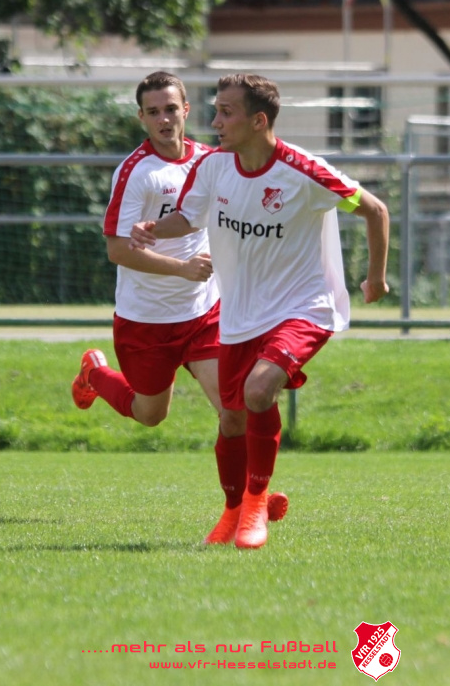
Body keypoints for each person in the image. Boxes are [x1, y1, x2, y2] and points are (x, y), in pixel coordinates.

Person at [130, 73, 390, 550]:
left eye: (225, 112)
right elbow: (188, 217)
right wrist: (153, 229)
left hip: (303, 308)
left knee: (259, 389)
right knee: (231, 420)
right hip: (239, 317)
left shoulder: (302, 170)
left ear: (258, 121)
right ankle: (232, 511)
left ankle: (255, 504)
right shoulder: (214, 167)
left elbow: (375, 209)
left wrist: (375, 278)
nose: (214, 121)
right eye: (215, 110)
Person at [70, 71, 288, 531]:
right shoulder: (137, 172)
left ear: (186, 110)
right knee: (150, 414)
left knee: (234, 409)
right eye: (153, 112)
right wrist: (182, 268)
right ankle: (94, 373)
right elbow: (117, 250)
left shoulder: (212, 160)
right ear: (141, 118)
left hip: (205, 313)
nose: (164, 119)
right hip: (145, 319)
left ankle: (252, 499)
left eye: (171, 109)